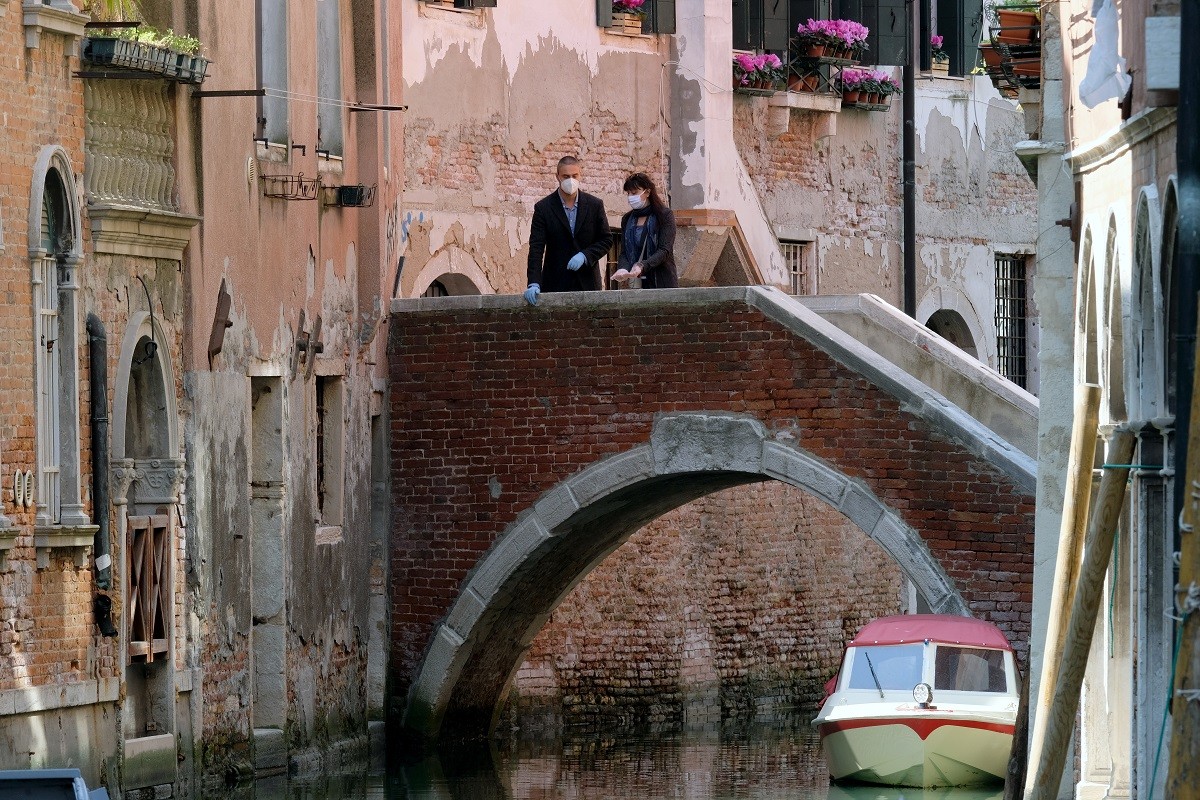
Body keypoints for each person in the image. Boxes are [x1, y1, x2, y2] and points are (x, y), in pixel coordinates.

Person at [524, 156, 613, 305]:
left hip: (588, 283)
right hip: (555, 284)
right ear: (557, 176)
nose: (570, 180)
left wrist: (585, 256)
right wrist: (534, 282)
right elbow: (536, 248)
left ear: (580, 175)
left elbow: (606, 240)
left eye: (574, 176)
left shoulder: (594, 205)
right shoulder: (543, 208)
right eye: (565, 176)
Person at [611, 172, 678, 289]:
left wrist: (642, 266)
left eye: (634, 193)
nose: (631, 197)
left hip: (661, 281)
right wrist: (622, 268)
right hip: (635, 283)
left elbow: (665, 250)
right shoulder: (627, 219)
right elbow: (624, 252)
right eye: (628, 193)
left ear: (647, 192)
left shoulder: (664, 215)